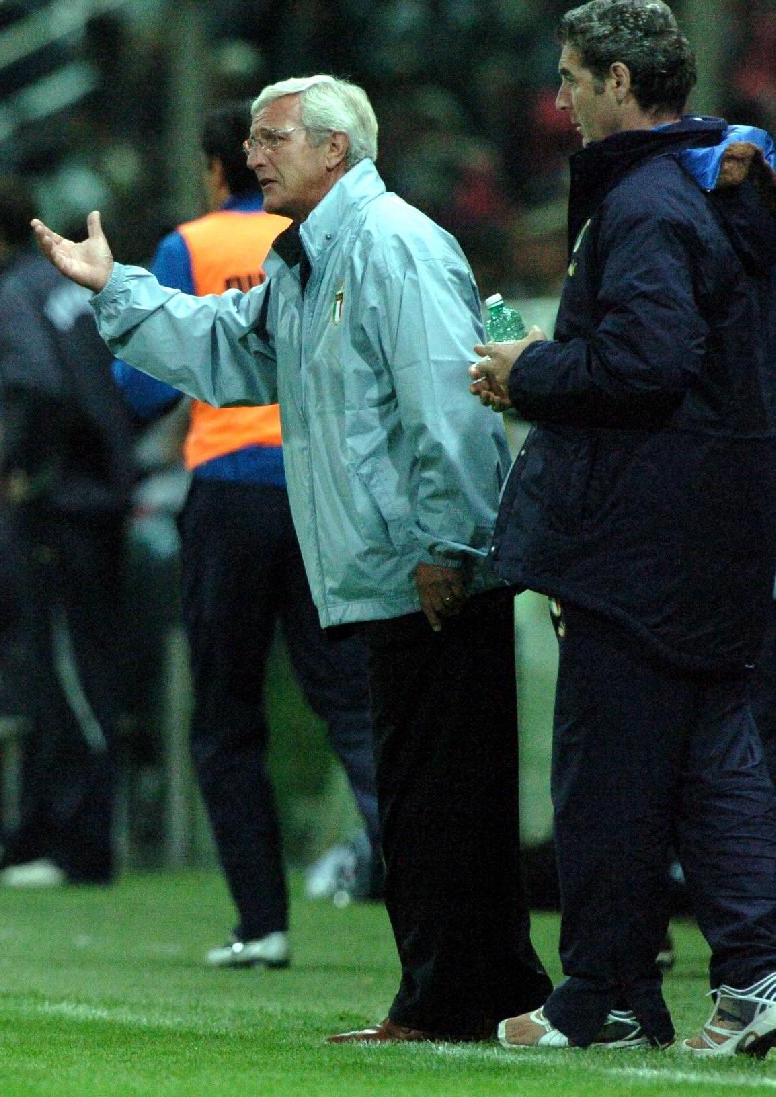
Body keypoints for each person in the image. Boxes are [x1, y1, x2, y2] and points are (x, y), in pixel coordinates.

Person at [31, 74, 551, 1040]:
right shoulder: (310, 260)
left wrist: (447, 541)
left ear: (334, 151)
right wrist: (117, 288)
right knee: (425, 794)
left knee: (442, 796)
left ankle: (463, 997)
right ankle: (471, 993)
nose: (253, 154)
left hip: (428, 566)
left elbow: (450, 408)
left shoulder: (393, 246)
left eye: (272, 140)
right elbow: (230, 348)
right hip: (389, 565)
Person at [470, 0, 776, 1054]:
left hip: (639, 534)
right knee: (716, 768)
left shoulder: (646, 200)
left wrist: (531, 371)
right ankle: (753, 978)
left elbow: (645, 363)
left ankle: (601, 990)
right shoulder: (709, 185)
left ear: (616, 83)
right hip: (716, 526)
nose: (557, 98)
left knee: (607, 773)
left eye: (570, 77)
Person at [110, 102, 381, 970]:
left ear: (215, 167)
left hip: (228, 489)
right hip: (319, 484)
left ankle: (260, 923)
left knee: (226, 717)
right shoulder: (320, 234)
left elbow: (141, 386)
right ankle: (423, 899)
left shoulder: (190, 244)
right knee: (352, 707)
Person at [0, 177, 137, 888]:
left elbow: (38, 384)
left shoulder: (13, 294)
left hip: (65, 503)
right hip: (103, 494)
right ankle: (34, 833)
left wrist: (24, 466)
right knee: (79, 666)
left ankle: (80, 847)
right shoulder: (67, 284)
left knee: (67, 673)